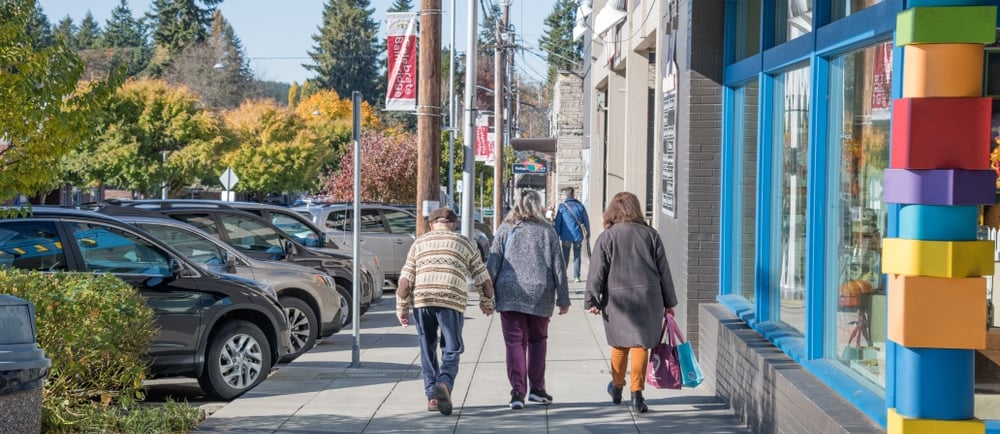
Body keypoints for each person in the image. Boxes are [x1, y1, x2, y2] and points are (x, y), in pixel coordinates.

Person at [584, 192, 677, 413]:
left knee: (619, 344)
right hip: (648, 298)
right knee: (640, 345)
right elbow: (664, 271)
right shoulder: (650, 235)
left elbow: (596, 272)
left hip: (617, 300)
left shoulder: (607, 237)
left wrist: (592, 300)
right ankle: (637, 394)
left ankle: (617, 386)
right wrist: (669, 302)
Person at [396, 207, 495, 416]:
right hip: (451, 300)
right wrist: (487, 303)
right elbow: (484, 280)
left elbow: (404, 283)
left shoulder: (419, 243)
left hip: (423, 300)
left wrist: (402, 308)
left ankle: (432, 395)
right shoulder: (465, 243)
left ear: (431, 225)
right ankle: (444, 384)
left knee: (427, 347)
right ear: (454, 224)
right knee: (452, 348)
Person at [487, 190, 571, 410]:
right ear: (538, 206)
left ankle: (517, 392)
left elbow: (492, 264)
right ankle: (537, 388)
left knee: (515, 342)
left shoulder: (505, 229)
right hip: (540, 292)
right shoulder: (548, 231)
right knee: (538, 340)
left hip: (510, 292)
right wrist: (563, 298)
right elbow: (558, 267)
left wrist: (487, 296)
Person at [553, 187, 590, 282]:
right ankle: (576, 277)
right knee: (577, 255)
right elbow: (586, 221)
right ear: (574, 194)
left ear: (566, 195)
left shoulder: (562, 207)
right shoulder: (580, 206)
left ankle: (564, 276)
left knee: (565, 255)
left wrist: (556, 235)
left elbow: (558, 222)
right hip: (578, 235)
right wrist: (588, 233)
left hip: (565, 236)